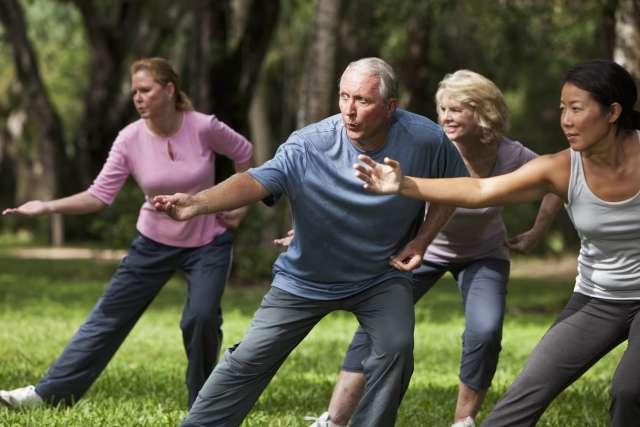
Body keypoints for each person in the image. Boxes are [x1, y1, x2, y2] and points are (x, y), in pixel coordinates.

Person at [152, 57, 469, 426]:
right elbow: (255, 181)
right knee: (248, 358)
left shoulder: (425, 138)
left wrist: (422, 240)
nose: (349, 110)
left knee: (396, 349)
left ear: (389, 107)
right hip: (306, 278)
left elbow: (454, 189)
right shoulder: (309, 144)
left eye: (362, 101)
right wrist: (196, 203)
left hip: (380, 276)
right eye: (343, 97)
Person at [353, 59, 640, 426]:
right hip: (597, 300)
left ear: (613, 111)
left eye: (577, 109)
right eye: (562, 109)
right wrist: (405, 184)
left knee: (629, 391)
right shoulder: (561, 168)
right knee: (520, 399)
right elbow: (480, 189)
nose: (565, 120)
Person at [300, 70, 563, 427]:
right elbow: (365, 188)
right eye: (442, 108)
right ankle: (333, 419)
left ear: (483, 112)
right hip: (420, 248)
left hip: (484, 253)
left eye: (456, 109)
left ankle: (463, 421)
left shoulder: (510, 153)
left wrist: (536, 231)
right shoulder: (429, 144)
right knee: (377, 325)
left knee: (485, 331)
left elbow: (555, 182)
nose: (446, 117)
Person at [0, 57, 253, 409]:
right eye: (134, 91)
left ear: (168, 90)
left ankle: (203, 403)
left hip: (207, 241)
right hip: (151, 243)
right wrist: (46, 206)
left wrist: (238, 204)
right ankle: (46, 395)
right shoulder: (129, 139)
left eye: (145, 90)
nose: (137, 97)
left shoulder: (202, 126)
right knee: (107, 318)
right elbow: (99, 195)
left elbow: (243, 152)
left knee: (201, 317)